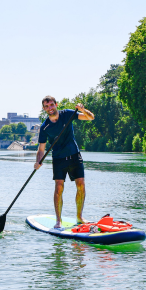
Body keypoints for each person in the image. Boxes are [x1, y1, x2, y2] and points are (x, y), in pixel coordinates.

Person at [34, 96, 95, 229]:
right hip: (58, 158)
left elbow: (91, 118)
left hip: (74, 155)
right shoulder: (45, 127)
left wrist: (83, 110)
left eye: (51, 105)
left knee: (81, 185)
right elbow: (41, 149)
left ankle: (79, 217)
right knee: (59, 187)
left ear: (56, 104)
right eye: (46, 106)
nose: (50, 108)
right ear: (44, 109)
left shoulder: (67, 114)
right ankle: (58, 220)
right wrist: (38, 161)